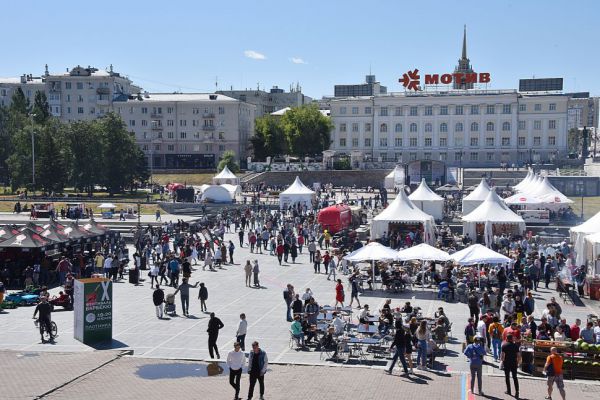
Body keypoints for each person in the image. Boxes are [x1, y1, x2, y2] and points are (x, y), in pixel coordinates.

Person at [501, 334, 521, 398]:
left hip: (506, 363)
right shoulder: (516, 346)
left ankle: (509, 390)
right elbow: (518, 356)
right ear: (512, 339)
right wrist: (518, 363)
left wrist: (502, 361)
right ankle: (517, 392)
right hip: (514, 363)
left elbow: (502, 356)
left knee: (507, 377)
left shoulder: (504, 345)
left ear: (507, 338)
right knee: (515, 377)